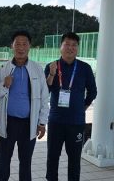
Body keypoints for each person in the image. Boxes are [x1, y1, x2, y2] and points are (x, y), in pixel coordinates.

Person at [0, 30, 49, 181]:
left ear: (29, 46)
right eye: (17, 44)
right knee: (4, 162)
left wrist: (42, 122)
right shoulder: (3, 68)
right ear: (12, 46)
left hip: (28, 123)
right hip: (8, 123)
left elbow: (44, 97)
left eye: (24, 44)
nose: (21, 47)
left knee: (25, 163)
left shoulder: (37, 68)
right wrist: (4, 85)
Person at [45, 32, 97, 181]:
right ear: (60, 47)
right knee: (52, 157)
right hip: (56, 121)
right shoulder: (52, 66)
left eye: (74, 45)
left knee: (74, 160)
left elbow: (93, 92)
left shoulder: (84, 68)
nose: (70, 48)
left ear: (77, 49)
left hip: (76, 122)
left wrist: (83, 108)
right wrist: (52, 75)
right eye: (67, 44)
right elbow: (44, 91)